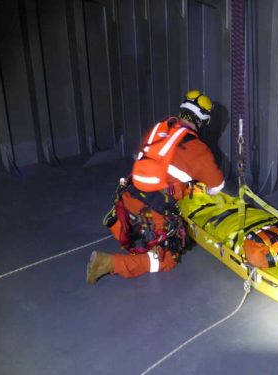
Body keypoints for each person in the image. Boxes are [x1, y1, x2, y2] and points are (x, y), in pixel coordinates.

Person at [87, 90, 225, 284]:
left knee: (141, 221)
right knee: (168, 259)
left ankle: (121, 226)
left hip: (129, 193)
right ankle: (108, 263)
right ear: (203, 120)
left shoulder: (159, 128)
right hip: (155, 207)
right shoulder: (198, 149)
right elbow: (217, 186)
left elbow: (139, 158)